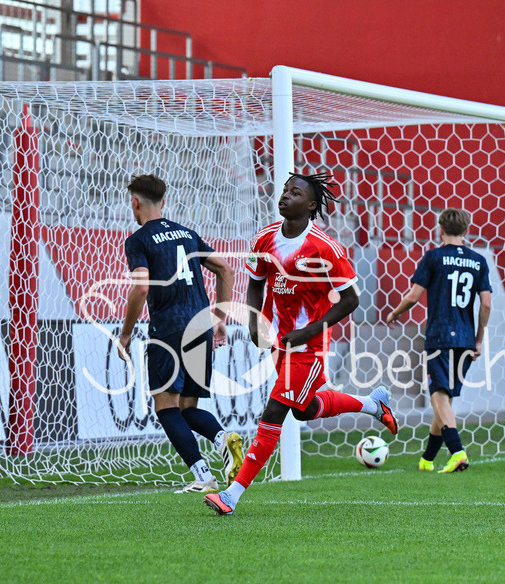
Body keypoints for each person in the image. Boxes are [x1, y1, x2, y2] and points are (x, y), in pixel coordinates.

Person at [204, 171, 398, 516]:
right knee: (302, 409)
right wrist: (253, 322)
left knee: (274, 411)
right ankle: (372, 404)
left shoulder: (326, 248)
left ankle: (231, 495)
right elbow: (255, 282)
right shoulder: (264, 238)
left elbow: (351, 299)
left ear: (310, 206)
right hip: (279, 341)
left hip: (309, 346)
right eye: (284, 190)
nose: (285, 196)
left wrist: (309, 332)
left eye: (295, 193)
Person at [118, 173, 244, 493]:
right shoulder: (188, 234)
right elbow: (226, 269)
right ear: (164, 202)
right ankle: (223, 439)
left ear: (135, 203)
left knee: (166, 407)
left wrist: (125, 333)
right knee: (188, 409)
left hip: (168, 328)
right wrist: (220, 318)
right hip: (201, 325)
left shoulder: (138, 240)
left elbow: (141, 286)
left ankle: (203, 476)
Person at [385, 208, 491, 473]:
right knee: (445, 399)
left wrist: (395, 313)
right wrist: (478, 339)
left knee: (437, 395)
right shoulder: (478, 261)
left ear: (440, 229)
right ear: (466, 231)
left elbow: (413, 296)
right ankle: (427, 459)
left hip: (440, 336)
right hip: (466, 338)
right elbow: (487, 303)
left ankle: (457, 452)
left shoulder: (433, 257)